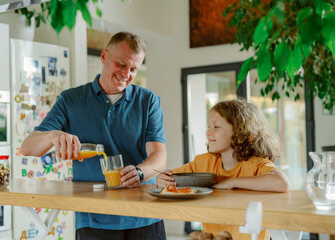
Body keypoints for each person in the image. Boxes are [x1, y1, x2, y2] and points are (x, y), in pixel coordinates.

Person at [21, 31, 167, 240]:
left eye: (134, 69)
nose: (126, 74)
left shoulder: (148, 101)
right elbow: (28, 147)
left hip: (145, 217)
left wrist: (140, 172)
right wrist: (53, 136)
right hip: (94, 220)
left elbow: (159, 156)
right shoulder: (71, 100)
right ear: (104, 56)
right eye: (121, 64)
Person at [157, 99, 290, 240]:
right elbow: (172, 178)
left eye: (216, 127)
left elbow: (282, 183)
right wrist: (163, 179)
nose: (208, 132)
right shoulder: (203, 162)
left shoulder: (256, 164)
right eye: (209, 126)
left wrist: (232, 182)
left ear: (240, 131)